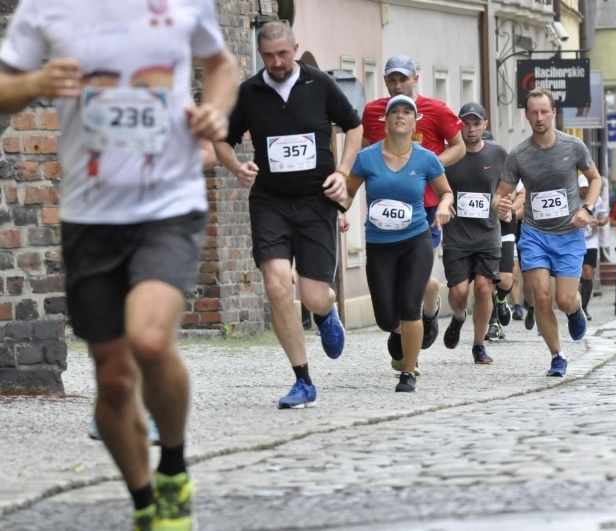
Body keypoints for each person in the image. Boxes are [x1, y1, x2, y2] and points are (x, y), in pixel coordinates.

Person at [0, 1, 238, 528]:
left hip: (169, 205)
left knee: (149, 340)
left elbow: (222, 64)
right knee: (111, 375)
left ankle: (173, 467)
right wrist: (37, 80)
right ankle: (144, 503)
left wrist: (217, 111)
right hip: (90, 217)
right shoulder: (46, 8)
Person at [214, 22, 361, 408]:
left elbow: (354, 127)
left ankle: (326, 313)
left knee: (313, 296)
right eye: (268, 56)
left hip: (315, 201)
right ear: (260, 54)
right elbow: (222, 141)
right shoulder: (249, 92)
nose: (277, 62)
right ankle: (303, 380)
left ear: (295, 49)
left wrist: (342, 173)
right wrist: (237, 167)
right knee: (277, 285)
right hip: (270, 201)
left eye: (283, 54)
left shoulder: (320, 84)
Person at [492, 88, 602, 378]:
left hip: (569, 234)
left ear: (553, 113)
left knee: (564, 300)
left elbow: (595, 179)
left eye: (544, 111)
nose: (539, 117)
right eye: (533, 112)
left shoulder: (573, 146)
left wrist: (587, 209)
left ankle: (575, 310)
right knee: (540, 298)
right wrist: (499, 206)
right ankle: (557, 356)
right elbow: (500, 195)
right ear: (527, 116)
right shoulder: (519, 155)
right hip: (534, 235)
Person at [346, 95, 453, 391]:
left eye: (407, 112)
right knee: (385, 318)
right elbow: (348, 193)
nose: (401, 116)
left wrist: (444, 206)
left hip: (415, 240)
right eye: (395, 111)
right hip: (379, 243)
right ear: (386, 120)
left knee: (409, 306)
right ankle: (401, 331)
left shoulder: (426, 159)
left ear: (415, 122)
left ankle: (408, 372)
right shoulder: (367, 157)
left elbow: (445, 192)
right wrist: (339, 213)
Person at [361, 55, 466, 354]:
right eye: (392, 80)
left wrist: (425, 167)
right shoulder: (373, 112)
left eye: (403, 79)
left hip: (426, 207)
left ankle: (426, 315)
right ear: (384, 81)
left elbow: (459, 147)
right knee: (405, 279)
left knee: (414, 278)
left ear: (415, 79)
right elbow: (364, 150)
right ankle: (404, 326)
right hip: (385, 208)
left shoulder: (436, 109)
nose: (398, 86)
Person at [439, 103, 507, 363]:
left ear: (484, 125)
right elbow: (436, 187)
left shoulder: (498, 154)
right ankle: (458, 317)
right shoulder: (447, 156)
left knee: (483, 289)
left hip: (488, 234)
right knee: (458, 293)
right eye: (465, 124)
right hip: (456, 236)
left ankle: (479, 345)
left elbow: (507, 186)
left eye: (476, 123)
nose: (470, 129)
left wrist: (506, 205)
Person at [578, 174, 609, 320]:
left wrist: (599, 222)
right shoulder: (572, 199)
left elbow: (605, 217)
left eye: (587, 188)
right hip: (574, 241)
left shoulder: (597, 200)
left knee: (588, 272)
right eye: (582, 188)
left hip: (591, 241)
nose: (585, 191)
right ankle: (575, 306)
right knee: (575, 275)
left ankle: (584, 307)